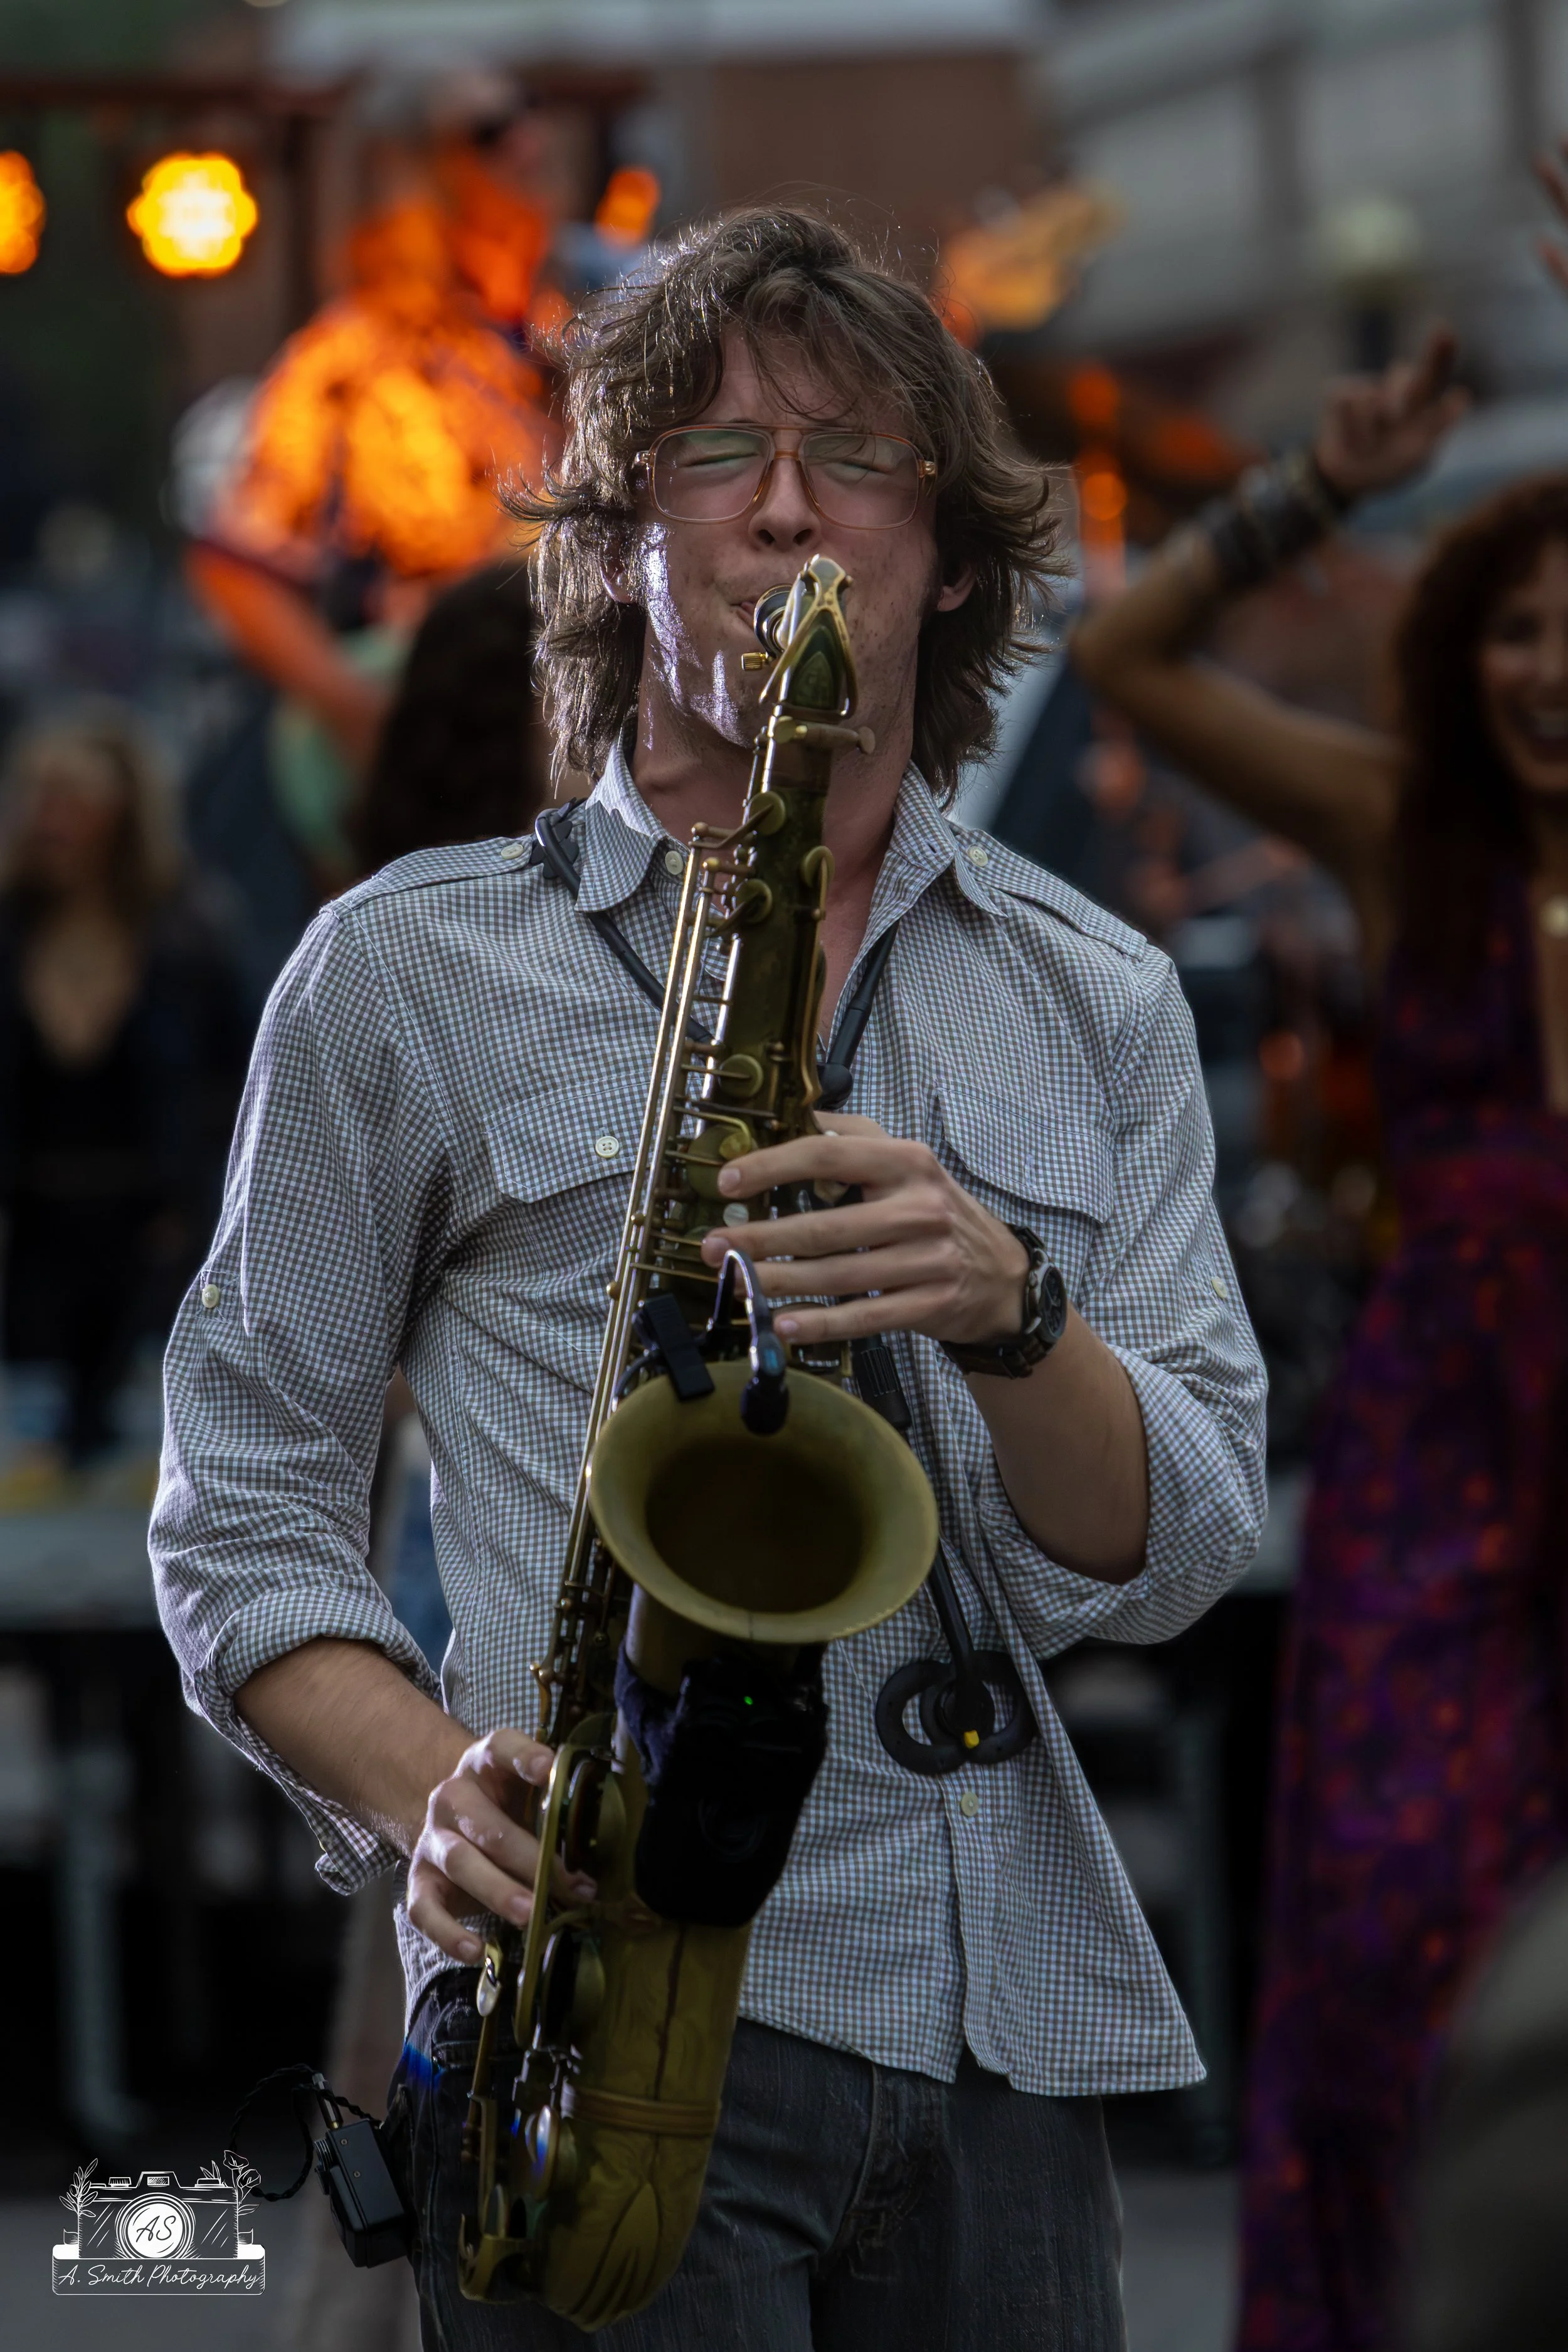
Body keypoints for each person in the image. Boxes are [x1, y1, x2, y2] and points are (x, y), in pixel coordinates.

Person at [151, 208, 1266, 2352]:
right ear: (616, 543)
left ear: (946, 561)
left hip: (996, 2020)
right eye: (712, 456)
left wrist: (1010, 1309)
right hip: (605, 1995)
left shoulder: (1097, 993)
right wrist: (426, 1787)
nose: (780, 505)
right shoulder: (404, 970)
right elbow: (245, 1513)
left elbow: (1184, 1538)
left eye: (854, 459)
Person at [1071, 335, 1568, 2349]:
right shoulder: (1401, 830)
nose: (1547, 668)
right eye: (1517, 630)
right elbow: (1127, 663)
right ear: (1459, 654)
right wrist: (1317, 484)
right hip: (1449, 1439)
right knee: (1383, 1925)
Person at [0, 708, 249, 1465]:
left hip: (155, 1246)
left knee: (147, 1473)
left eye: (73, 798)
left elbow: (239, 1097)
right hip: (28, 1243)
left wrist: (198, 1214)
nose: (53, 819)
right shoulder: (8, 932)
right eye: (40, 796)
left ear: (121, 813)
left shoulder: (189, 939)